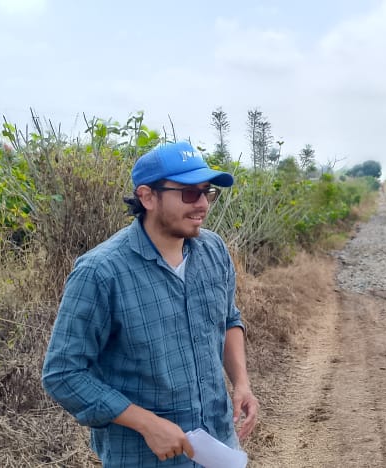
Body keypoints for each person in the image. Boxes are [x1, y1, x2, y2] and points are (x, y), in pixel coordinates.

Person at [42, 141, 259, 466]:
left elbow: (229, 319)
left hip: (218, 443)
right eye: (189, 193)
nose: (202, 204)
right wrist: (147, 424)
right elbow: (63, 373)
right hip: (144, 457)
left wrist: (241, 383)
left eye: (207, 192)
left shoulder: (213, 251)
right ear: (147, 197)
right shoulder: (101, 272)